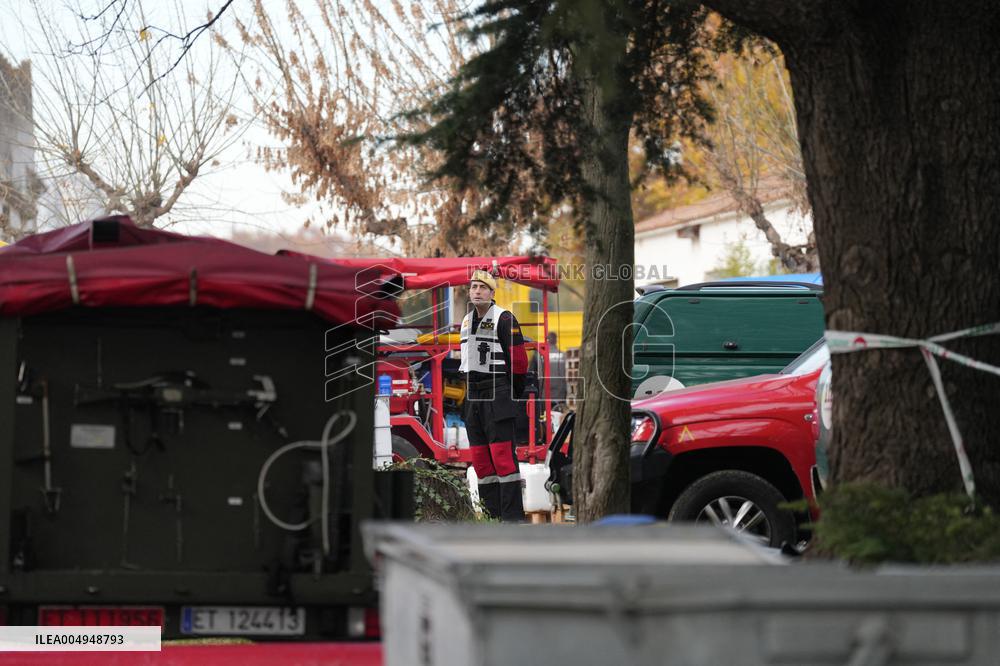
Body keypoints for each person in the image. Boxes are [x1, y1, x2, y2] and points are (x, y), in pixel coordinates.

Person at [459, 269, 527, 521]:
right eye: (474, 286)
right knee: (481, 461)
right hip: (473, 396)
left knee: (503, 459)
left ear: (492, 293)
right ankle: (491, 517)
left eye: (482, 287)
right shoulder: (466, 321)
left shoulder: (504, 318)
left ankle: (512, 518)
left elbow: (519, 361)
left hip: (497, 392)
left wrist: (512, 393)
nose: (477, 291)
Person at [530, 331, 568, 410]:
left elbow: (531, 374)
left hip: (543, 395)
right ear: (556, 341)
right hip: (560, 395)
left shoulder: (537, 355)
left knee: (544, 418)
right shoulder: (564, 355)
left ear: (546, 340)